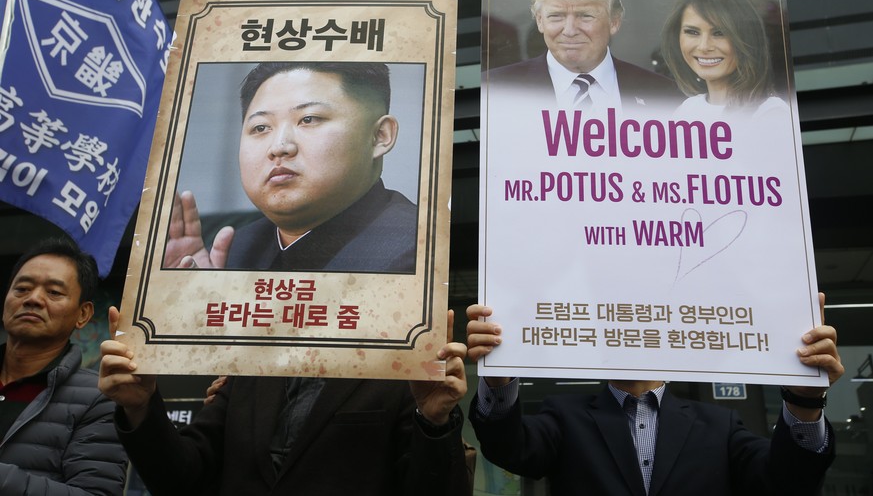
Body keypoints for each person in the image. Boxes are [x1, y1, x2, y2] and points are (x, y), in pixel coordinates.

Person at [466, 296, 844, 496]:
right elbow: (509, 449)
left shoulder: (719, 426)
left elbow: (785, 482)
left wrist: (804, 401)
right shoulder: (565, 416)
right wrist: (499, 379)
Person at [98, 307, 471, 496]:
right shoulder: (248, 371)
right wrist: (142, 407)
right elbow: (182, 478)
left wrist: (433, 420)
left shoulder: (399, 377)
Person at [163, 61, 417, 273]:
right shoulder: (234, 251)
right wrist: (196, 305)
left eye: (309, 119)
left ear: (380, 136)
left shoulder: (418, 248)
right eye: (260, 127)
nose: (280, 146)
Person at [0, 237, 127, 494]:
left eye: (54, 292)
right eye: (22, 288)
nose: (33, 299)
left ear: (83, 315)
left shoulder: (100, 399)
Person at [485, 0, 683, 113]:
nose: (570, 30)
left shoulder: (664, 94)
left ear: (614, 21)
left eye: (585, 15)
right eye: (556, 16)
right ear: (539, 21)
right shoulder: (495, 90)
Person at [661, 0, 788, 118]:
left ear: (747, 39)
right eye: (692, 32)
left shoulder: (771, 113)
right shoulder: (687, 109)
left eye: (719, 33)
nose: (704, 46)